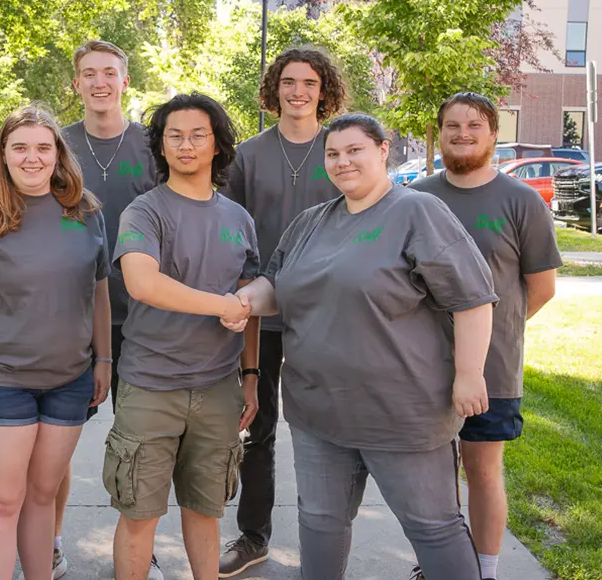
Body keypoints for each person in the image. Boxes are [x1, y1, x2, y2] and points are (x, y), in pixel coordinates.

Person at [224, 113, 498, 580]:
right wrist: (246, 301)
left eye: (355, 150)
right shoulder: (311, 222)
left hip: (401, 412)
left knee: (432, 527)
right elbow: (276, 285)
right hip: (318, 413)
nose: (342, 161)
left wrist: (470, 374)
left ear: (383, 150)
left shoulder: (417, 213)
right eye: (333, 154)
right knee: (320, 523)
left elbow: (472, 298)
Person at [0, 104, 112, 580]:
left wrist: (104, 358)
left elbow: (98, 290)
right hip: (0, 379)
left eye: (43, 147)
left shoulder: (86, 210)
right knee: (2, 500)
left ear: (58, 154)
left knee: (42, 495)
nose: (32, 158)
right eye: (20, 147)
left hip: (70, 379)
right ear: (3, 154)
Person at [107, 93, 260, 580]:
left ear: (217, 145)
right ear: (161, 146)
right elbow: (143, 283)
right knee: (139, 516)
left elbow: (249, 304)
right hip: (151, 386)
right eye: (174, 136)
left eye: (198, 135)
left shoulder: (239, 220)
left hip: (218, 388)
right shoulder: (144, 211)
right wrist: (223, 306)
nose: (186, 144)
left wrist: (250, 376)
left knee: (207, 512)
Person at [411, 93, 560, 580]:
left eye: (474, 125)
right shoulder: (418, 197)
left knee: (481, 470)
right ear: (440, 133)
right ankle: (440, 566)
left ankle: (485, 572)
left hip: (492, 370)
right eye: (452, 125)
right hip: (419, 365)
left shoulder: (521, 202)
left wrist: (495, 335)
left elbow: (540, 288)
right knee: (431, 480)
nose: (463, 134)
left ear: (493, 133)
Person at [218, 46, 347, 577]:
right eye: (289, 82)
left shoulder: (340, 150)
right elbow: (230, 228)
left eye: (309, 83)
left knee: (337, 430)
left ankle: (331, 538)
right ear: (274, 89)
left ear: (324, 91)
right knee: (257, 427)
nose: (299, 92)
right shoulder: (247, 155)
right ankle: (254, 536)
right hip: (263, 313)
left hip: (330, 314)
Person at [58, 39, 160, 580]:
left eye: (109, 73)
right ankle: (47, 543)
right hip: (69, 318)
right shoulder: (55, 146)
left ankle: (144, 552)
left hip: (145, 319)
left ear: (125, 81)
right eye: (89, 74)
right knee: (57, 439)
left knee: (141, 446)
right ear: (76, 83)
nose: (99, 82)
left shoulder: (154, 144)